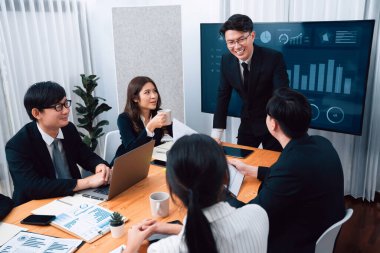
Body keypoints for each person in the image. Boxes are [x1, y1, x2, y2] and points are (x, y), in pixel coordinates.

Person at [227, 87, 346, 253]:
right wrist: (251, 170)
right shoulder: (321, 143)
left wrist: (222, 193)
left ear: (273, 124)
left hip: (297, 242)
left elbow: (253, 216)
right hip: (320, 227)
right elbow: (296, 177)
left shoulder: (291, 164)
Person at [123, 134, 269, 253]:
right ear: (226, 176)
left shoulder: (163, 249)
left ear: (173, 190)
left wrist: (130, 248)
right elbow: (217, 233)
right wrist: (166, 228)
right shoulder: (258, 214)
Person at [5, 81, 111, 206]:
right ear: (36, 113)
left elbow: (85, 155)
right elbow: (32, 187)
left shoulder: (68, 129)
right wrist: (86, 182)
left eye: (66, 103)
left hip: (74, 199)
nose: (66, 111)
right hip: (35, 206)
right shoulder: (18, 145)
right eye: (58, 107)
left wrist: (99, 165)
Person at [212, 14, 289, 152]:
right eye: (231, 42)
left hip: (273, 123)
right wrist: (216, 135)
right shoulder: (226, 60)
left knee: (273, 166)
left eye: (241, 39)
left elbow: (281, 95)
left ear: (252, 36)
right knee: (241, 165)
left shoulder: (273, 58)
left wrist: (275, 122)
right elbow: (223, 96)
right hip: (248, 122)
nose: (236, 46)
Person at [112, 76, 172, 165]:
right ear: (135, 98)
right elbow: (132, 151)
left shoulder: (158, 114)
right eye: (147, 92)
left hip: (149, 163)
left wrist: (170, 124)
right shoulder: (124, 118)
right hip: (126, 165)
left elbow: (177, 135)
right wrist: (150, 128)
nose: (154, 96)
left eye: (154, 91)